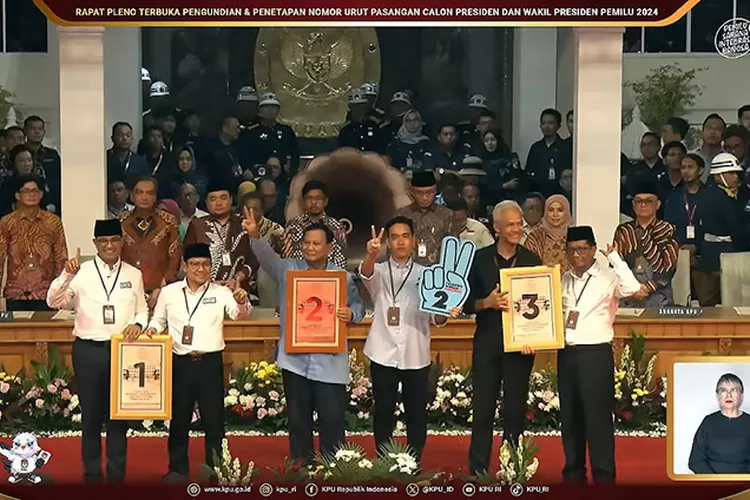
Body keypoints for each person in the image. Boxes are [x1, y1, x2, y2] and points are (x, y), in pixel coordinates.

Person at [243, 213, 365, 465]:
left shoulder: (341, 276)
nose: (309, 248)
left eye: (316, 243)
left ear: (329, 248)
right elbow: (267, 259)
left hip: (331, 362)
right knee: (299, 419)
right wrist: (255, 235)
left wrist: (351, 313)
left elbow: (359, 309)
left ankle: (333, 468)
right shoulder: (289, 269)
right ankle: (301, 467)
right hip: (294, 360)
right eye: (306, 243)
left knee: (332, 419)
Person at [46, 219, 148, 483]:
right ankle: (92, 473)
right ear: (95, 244)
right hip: (88, 351)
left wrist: (138, 323)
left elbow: (142, 310)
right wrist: (66, 274)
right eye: (103, 241)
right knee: (90, 415)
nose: (109, 246)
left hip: (122, 351)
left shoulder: (133, 274)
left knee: (118, 417)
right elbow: (53, 302)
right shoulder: (80, 272)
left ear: (122, 242)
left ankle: (116, 475)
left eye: (114, 240)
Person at [145, 243, 251, 483]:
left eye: (205, 264)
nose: (200, 269)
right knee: (179, 419)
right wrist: (151, 330)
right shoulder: (169, 292)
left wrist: (242, 300)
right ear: (185, 266)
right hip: (179, 361)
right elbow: (158, 320)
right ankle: (177, 470)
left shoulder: (221, 292)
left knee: (214, 421)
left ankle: (215, 470)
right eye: (194, 264)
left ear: (211, 267)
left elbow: (239, 314)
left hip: (210, 362)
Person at [359, 217, 461, 462]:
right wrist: (371, 255)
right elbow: (366, 274)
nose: (400, 241)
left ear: (414, 241)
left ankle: (412, 462)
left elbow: (435, 318)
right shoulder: (380, 271)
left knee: (416, 414)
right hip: (383, 351)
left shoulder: (428, 274)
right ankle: (384, 461)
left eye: (405, 236)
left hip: (415, 353)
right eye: (394, 237)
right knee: (383, 411)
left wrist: (446, 313)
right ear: (388, 243)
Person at [464, 200, 541, 476]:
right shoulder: (480, 259)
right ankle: (478, 470)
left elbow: (543, 307)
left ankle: (512, 468)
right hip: (487, 343)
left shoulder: (533, 260)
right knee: (483, 410)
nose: (517, 228)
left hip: (522, 347)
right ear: (496, 228)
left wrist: (539, 336)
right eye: (511, 224)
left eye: (520, 223)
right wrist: (487, 303)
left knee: (515, 410)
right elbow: (465, 303)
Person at [558, 226, 641, 484]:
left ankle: (604, 476)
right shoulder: (563, 278)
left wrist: (615, 258)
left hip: (595, 354)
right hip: (567, 353)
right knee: (570, 419)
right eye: (571, 250)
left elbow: (633, 287)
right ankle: (573, 473)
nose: (577, 254)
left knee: (598, 419)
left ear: (593, 249)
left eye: (582, 249)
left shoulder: (608, 277)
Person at [183, 180, 260, 301]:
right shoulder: (197, 226)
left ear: (231, 200)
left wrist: (238, 278)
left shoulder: (244, 224)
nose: (218, 203)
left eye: (223, 198)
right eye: (213, 199)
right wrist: (208, 283)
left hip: (238, 292)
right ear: (206, 203)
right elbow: (188, 261)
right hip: (204, 294)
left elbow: (255, 258)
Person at [0, 176, 68, 311]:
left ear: (41, 194)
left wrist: (61, 292)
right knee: (16, 332)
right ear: (18, 195)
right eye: (26, 191)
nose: (31, 194)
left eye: (35, 191)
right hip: (16, 293)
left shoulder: (53, 222)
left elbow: (61, 257)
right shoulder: (7, 222)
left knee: (47, 331)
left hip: (46, 292)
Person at [694, 153, 749, 306]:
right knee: (720, 301)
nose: (736, 177)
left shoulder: (715, 194)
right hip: (724, 254)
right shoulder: (720, 197)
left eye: (737, 173)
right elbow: (736, 228)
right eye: (731, 173)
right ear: (718, 175)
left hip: (712, 253)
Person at [120, 177, 182, 309]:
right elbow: (115, 257)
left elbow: (175, 259)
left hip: (160, 291)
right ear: (131, 196)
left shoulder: (168, 222)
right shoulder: (121, 222)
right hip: (126, 291)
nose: (144, 197)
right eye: (140, 192)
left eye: (149, 193)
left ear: (155, 196)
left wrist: (162, 288)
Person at [614, 182, 679, 307]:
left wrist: (647, 287)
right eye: (638, 201)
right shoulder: (624, 230)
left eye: (648, 201)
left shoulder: (667, 230)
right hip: (628, 295)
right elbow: (616, 263)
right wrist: (633, 289)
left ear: (658, 204)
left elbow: (669, 266)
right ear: (633, 204)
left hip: (659, 295)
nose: (643, 205)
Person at [688, 373, 750, 474]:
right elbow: (695, 461)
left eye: (734, 390)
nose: (728, 395)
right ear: (718, 396)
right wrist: (715, 481)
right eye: (723, 390)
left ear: (741, 395)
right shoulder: (708, 422)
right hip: (711, 483)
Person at [395, 171, 457, 266]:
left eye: (429, 192)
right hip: (407, 270)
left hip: (437, 270)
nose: (425, 197)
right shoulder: (401, 215)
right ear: (411, 191)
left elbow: (452, 246)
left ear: (435, 191)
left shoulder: (447, 215)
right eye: (419, 193)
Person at [524, 194, 573, 271]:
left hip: (572, 281)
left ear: (567, 212)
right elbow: (527, 265)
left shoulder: (574, 235)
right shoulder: (535, 237)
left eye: (560, 210)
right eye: (551, 210)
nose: (555, 214)